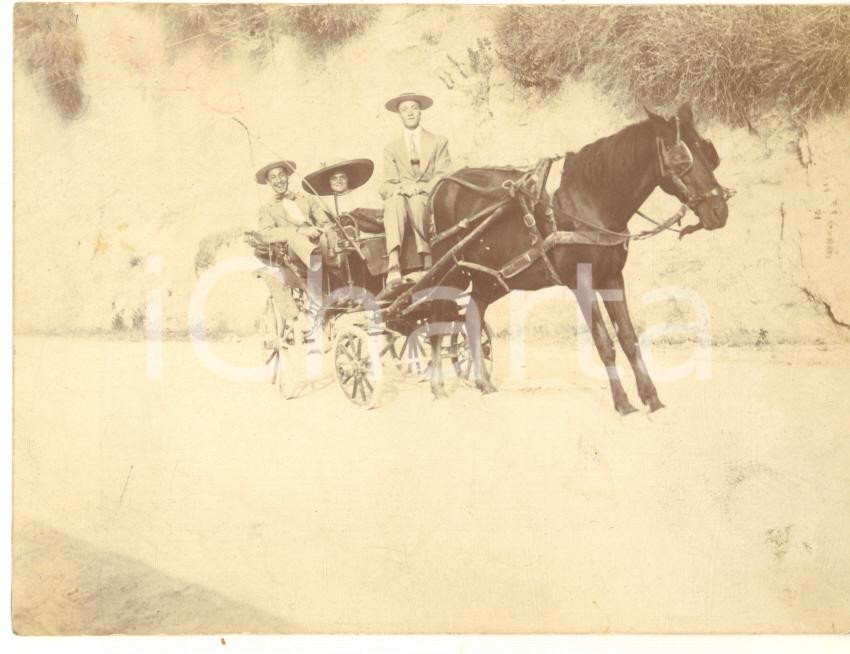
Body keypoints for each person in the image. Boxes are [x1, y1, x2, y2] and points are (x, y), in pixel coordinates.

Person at [380, 92, 451, 285]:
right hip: (402, 193)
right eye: (404, 109)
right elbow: (388, 181)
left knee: (418, 202)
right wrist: (402, 188)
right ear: (399, 115)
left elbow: (444, 173)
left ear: (420, 112)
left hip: (429, 193)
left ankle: (428, 259)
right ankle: (393, 264)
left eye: (414, 108)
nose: (410, 113)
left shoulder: (438, 141)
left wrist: (422, 188)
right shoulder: (391, 148)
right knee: (393, 202)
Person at [254, 159, 328, 271]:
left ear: (288, 176)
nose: (279, 180)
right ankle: (315, 259)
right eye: (273, 177)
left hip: (317, 239)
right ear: (268, 182)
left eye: (281, 175)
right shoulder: (266, 209)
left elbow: (324, 221)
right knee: (296, 238)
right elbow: (266, 234)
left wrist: (322, 229)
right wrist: (299, 231)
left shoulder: (306, 198)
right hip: (293, 249)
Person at [301, 158, 375, 221]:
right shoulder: (326, 204)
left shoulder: (363, 195)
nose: (338, 181)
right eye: (334, 178)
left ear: (348, 179)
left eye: (342, 177)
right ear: (329, 182)